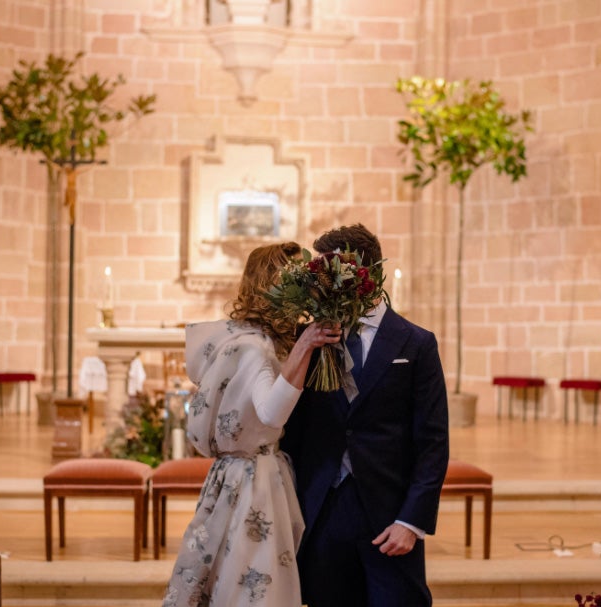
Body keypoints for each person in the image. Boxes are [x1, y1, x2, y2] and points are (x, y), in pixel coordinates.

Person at [162, 242, 341, 607]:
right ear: (274, 285)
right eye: (298, 281)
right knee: (253, 585)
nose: (306, 290)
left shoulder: (257, 340)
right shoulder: (254, 348)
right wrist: (305, 346)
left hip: (256, 475)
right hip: (251, 483)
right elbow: (272, 414)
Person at [282, 224, 450, 607]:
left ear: (364, 274)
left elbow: (433, 442)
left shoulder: (417, 343)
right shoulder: (308, 338)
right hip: (323, 510)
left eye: (329, 273)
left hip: (390, 515)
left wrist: (412, 522)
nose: (321, 283)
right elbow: (294, 431)